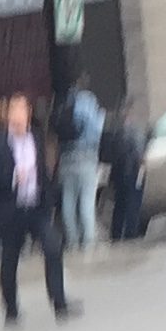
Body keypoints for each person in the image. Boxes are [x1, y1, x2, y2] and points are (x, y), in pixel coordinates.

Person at [0, 93, 76, 328]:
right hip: (11, 210)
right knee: (10, 259)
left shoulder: (36, 137)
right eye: (13, 112)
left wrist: (48, 198)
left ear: (27, 114)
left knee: (53, 247)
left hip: (35, 208)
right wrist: (14, 177)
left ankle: (59, 302)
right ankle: (11, 309)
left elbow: (43, 172)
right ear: (8, 116)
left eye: (21, 112)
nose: (17, 117)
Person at [56, 72, 106, 252]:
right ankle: (88, 240)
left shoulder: (65, 101)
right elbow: (95, 130)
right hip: (86, 155)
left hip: (65, 157)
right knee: (86, 199)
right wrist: (101, 116)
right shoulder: (87, 100)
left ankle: (72, 241)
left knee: (68, 199)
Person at [104, 95, 147, 242]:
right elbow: (139, 151)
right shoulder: (134, 128)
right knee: (133, 202)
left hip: (118, 170)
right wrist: (142, 164)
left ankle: (116, 234)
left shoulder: (114, 127)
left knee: (119, 203)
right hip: (133, 169)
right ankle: (131, 233)